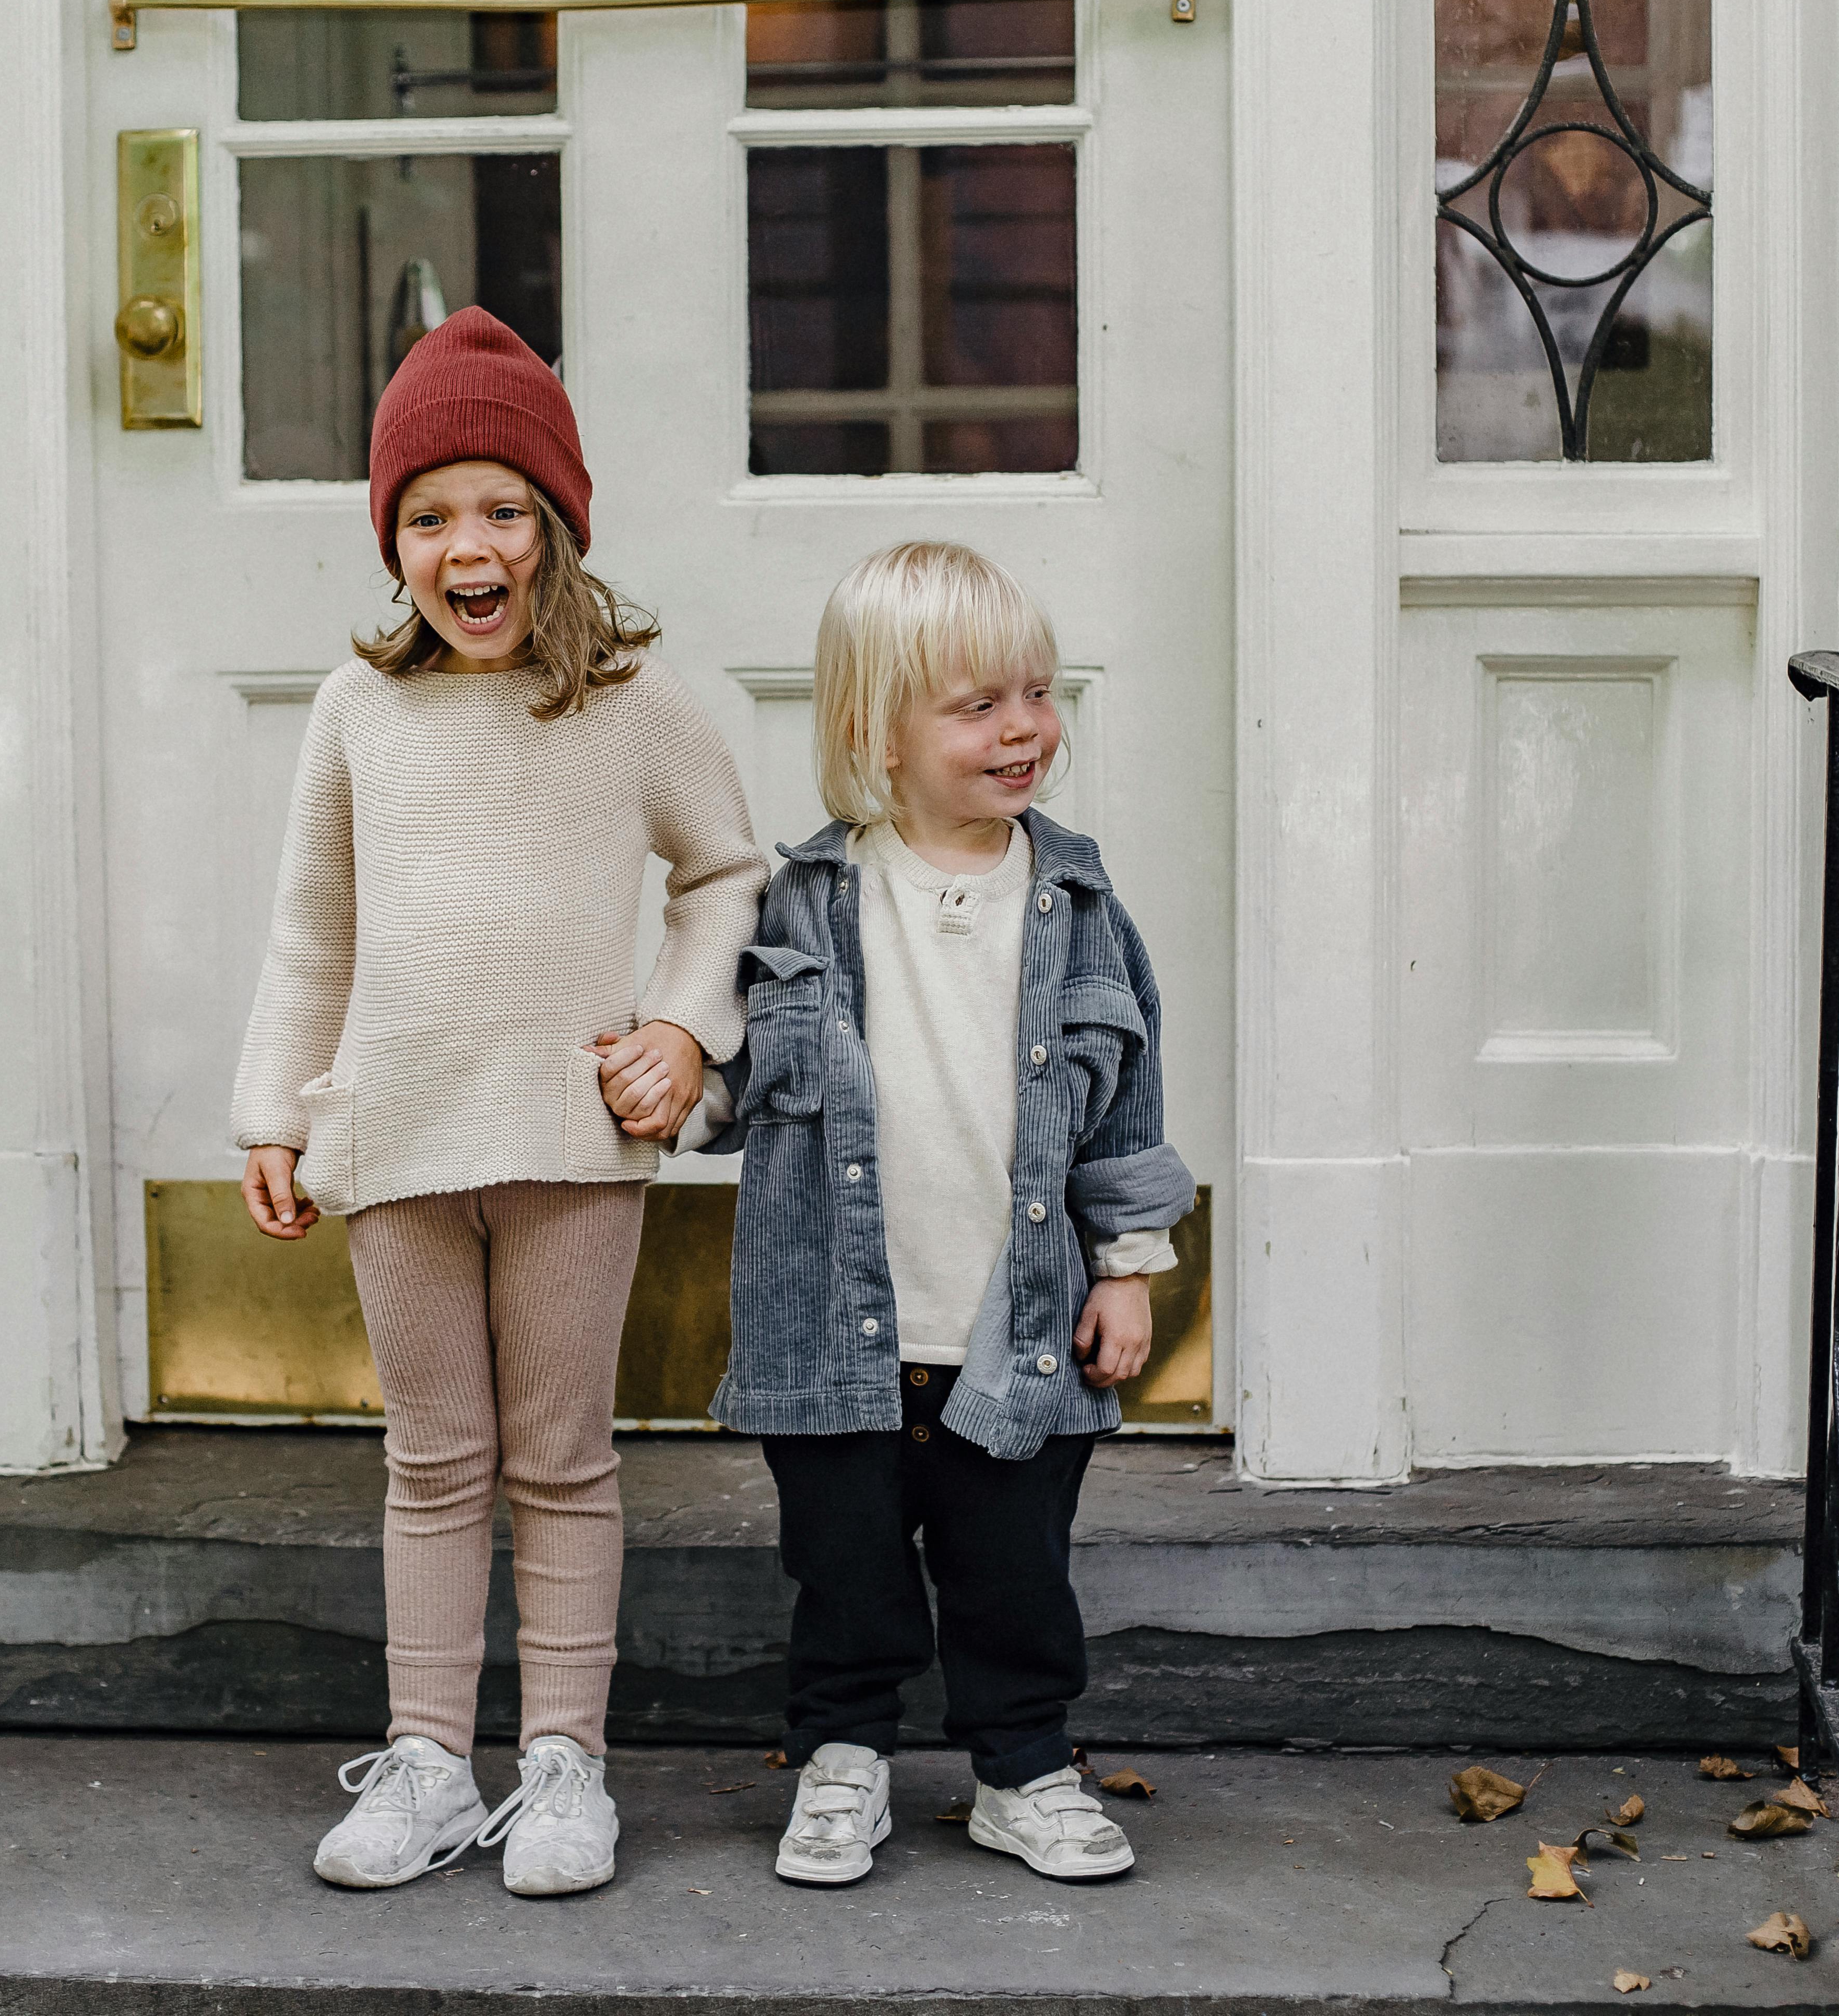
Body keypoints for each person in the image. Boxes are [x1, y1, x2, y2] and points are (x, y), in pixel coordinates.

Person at [230, 307, 763, 1898]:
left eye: (503, 512)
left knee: (563, 1456)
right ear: (394, 542)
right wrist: (276, 1106)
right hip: (392, 1137)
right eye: (430, 516)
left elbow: (729, 875)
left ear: (558, 531)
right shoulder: (357, 709)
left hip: (569, 1145)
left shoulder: (636, 706)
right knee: (432, 1455)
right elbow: (310, 926)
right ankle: (425, 1764)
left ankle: (566, 1766)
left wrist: (681, 1033)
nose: (470, 545)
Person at [692, 540, 1195, 1887]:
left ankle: (1024, 1765)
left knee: (1013, 1573)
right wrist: (664, 1063)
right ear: (877, 732)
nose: (1024, 725)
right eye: (978, 704)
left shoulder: (1081, 906)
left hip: (1014, 1323)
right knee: (843, 1568)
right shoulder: (803, 902)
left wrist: (1130, 1268)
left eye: (1036, 691)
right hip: (834, 1325)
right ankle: (842, 1757)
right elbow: (721, 1079)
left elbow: (1127, 1103)